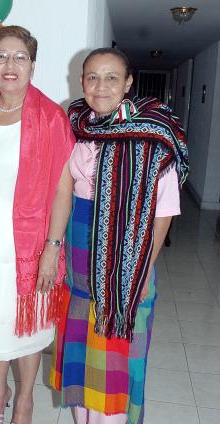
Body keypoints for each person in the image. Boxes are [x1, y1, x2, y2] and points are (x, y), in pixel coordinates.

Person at [50, 48, 189, 424]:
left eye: (112, 77)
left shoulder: (154, 136)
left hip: (126, 270)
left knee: (115, 362)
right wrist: (53, 249)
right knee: (80, 356)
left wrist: (142, 268)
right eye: (92, 76)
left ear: (128, 83)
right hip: (79, 266)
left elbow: (163, 214)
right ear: (81, 81)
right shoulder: (74, 125)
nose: (101, 86)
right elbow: (63, 191)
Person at [0, 26, 75, 424]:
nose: (10, 64)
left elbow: (62, 190)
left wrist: (52, 249)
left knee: (27, 328)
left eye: (20, 57)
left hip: (31, 246)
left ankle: (24, 401)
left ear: (33, 66)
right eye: (1, 56)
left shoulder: (51, 117)